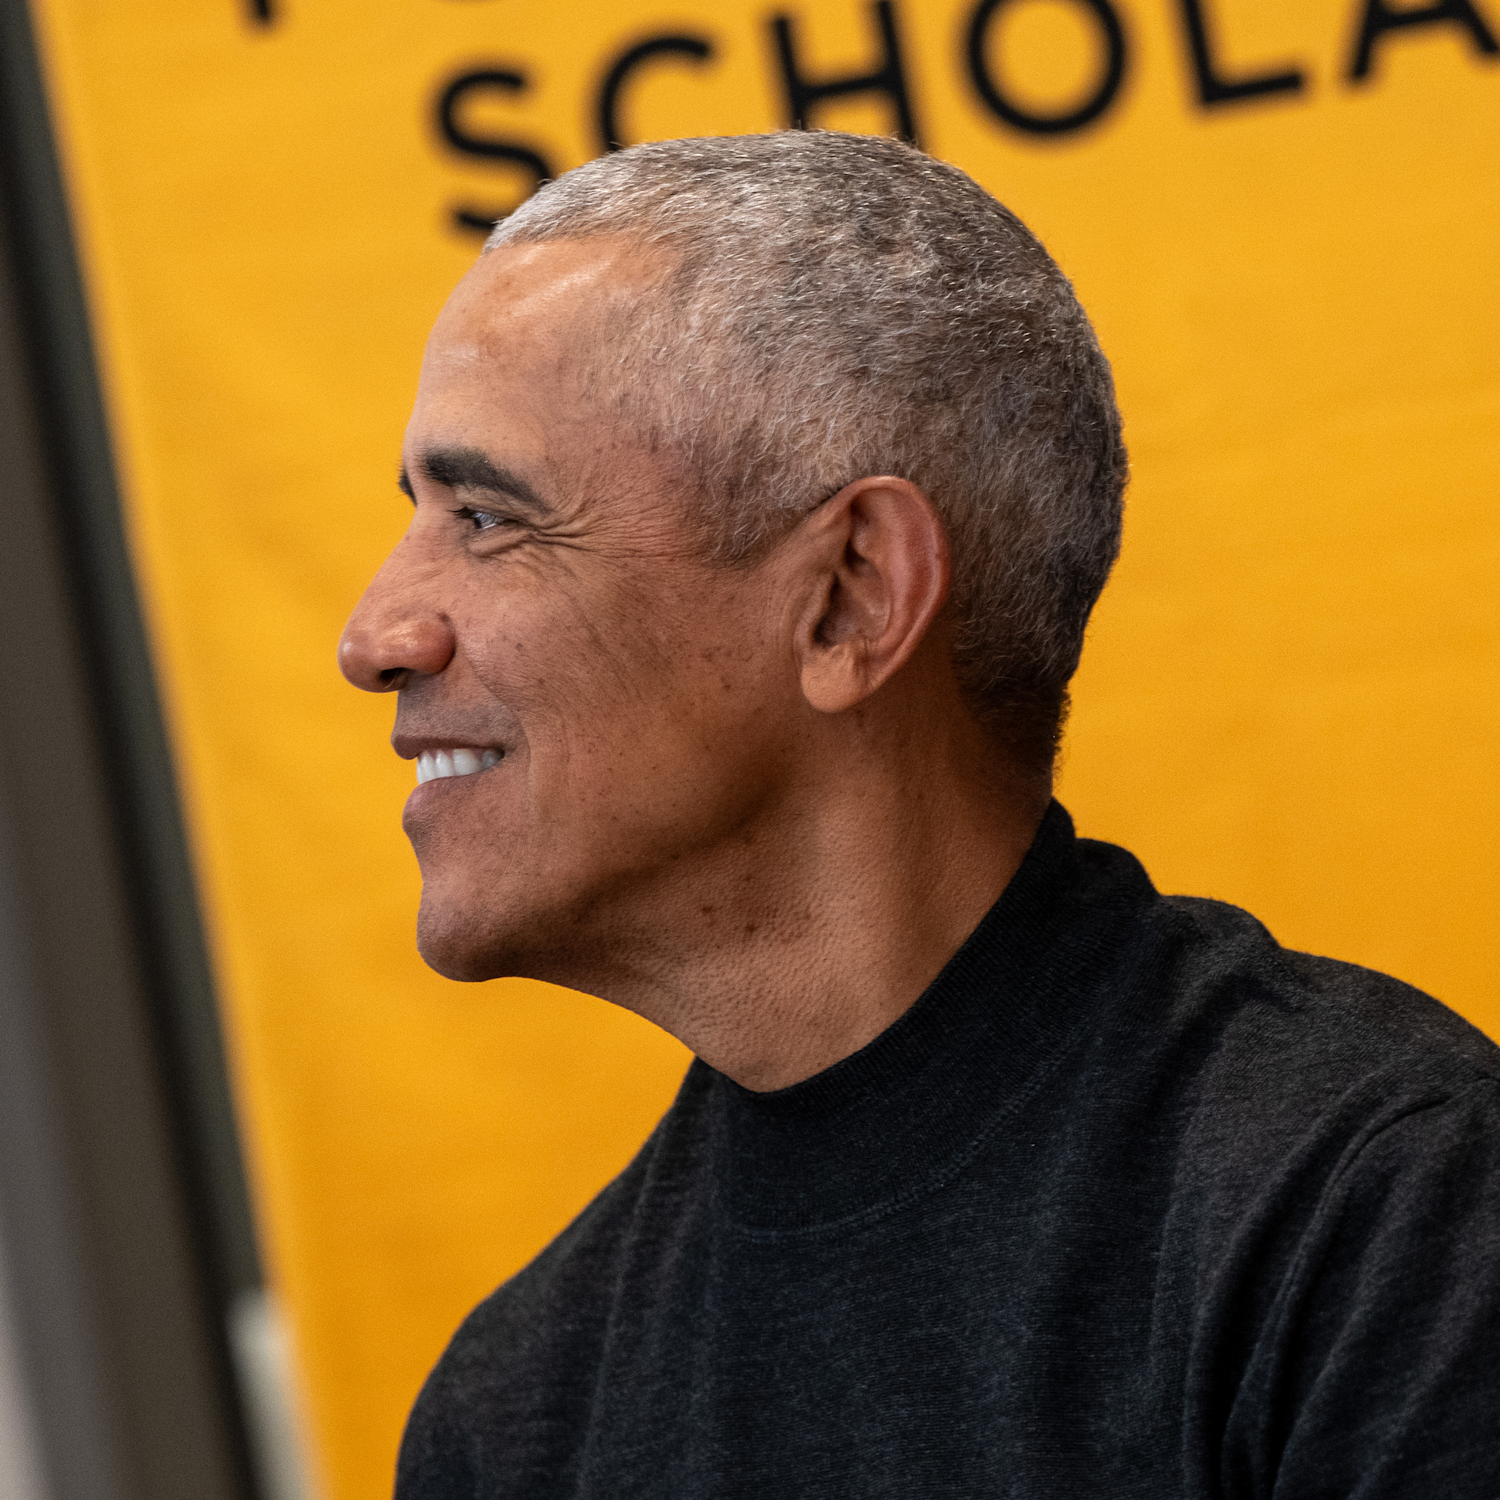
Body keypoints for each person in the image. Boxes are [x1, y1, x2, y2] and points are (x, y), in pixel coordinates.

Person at [338, 132, 1500, 1499]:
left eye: (487, 518)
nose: (374, 637)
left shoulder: (1373, 1220)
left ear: (852, 596)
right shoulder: (513, 1423)